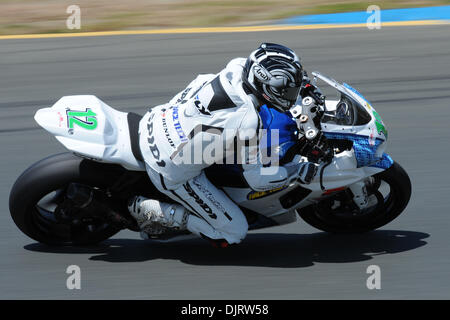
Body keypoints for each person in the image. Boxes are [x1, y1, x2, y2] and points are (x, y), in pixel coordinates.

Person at [128, 43, 323, 246]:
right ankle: (155, 211)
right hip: (168, 167)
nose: (291, 96)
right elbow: (257, 179)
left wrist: (302, 84)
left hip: (158, 120)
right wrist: (297, 171)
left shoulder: (237, 67)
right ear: (265, 87)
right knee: (234, 231)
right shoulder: (248, 122)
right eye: (287, 91)